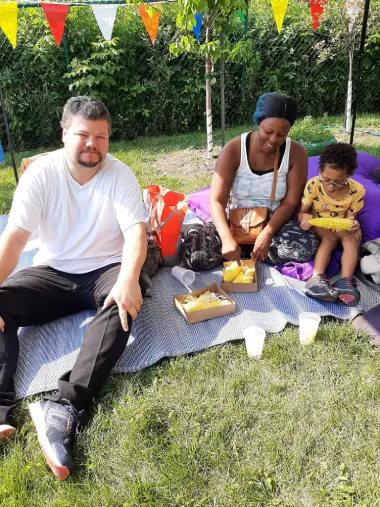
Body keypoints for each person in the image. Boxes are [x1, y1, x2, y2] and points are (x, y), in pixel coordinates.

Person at [0, 96, 147, 480]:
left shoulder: (120, 175)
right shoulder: (41, 175)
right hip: (53, 270)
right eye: (83, 134)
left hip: (105, 268)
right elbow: (13, 242)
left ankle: (66, 405)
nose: (92, 145)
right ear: (64, 134)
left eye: (101, 137)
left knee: (123, 305)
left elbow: (136, 235)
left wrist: (129, 279)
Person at [209, 92, 319, 266]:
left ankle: (251, 251)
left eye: (282, 134)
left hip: (274, 223)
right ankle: (244, 250)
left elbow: (291, 202)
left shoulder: (296, 153)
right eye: (268, 131)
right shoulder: (234, 149)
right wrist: (226, 238)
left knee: (304, 247)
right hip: (235, 221)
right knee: (198, 255)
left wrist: (267, 233)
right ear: (258, 122)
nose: (274, 139)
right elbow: (216, 200)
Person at [299, 142, 365, 306]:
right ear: (320, 170)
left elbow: (351, 217)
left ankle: (345, 282)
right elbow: (302, 212)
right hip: (319, 221)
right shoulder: (313, 185)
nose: (330, 186)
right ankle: (317, 279)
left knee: (351, 240)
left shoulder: (357, 191)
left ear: (349, 175)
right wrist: (304, 219)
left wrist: (352, 225)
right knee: (329, 239)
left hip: (340, 223)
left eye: (339, 181)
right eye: (326, 179)